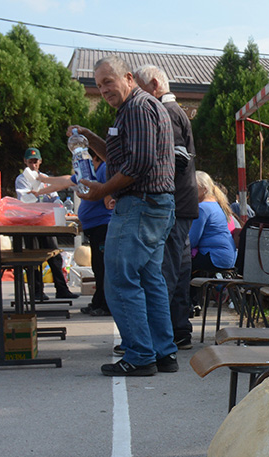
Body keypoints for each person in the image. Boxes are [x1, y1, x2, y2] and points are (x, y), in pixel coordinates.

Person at [69, 55, 177, 377]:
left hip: (140, 205)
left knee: (118, 279)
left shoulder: (139, 108)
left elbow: (138, 164)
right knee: (149, 279)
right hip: (151, 206)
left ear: (128, 78)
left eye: (108, 82)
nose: (103, 90)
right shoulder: (131, 111)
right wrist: (89, 137)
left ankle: (141, 356)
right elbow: (121, 158)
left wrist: (102, 190)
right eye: (99, 85)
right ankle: (162, 353)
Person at [135, 64, 199, 350]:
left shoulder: (167, 112)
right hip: (182, 203)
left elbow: (176, 159)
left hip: (174, 203)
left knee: (166, 271)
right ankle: (177, 331)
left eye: (137, 87)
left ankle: (161, 336)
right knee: (178, 268)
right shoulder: (175, 111)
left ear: (152, 84)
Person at [36, 153, 113, 315]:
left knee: (103, 268)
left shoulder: (104, 170)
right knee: (97, 267)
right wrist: (41, 184)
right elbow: (65, 181)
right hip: (94, 227)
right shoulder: (90, 172)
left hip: (103, 226)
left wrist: (44, 181)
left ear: (95, 158)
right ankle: (98, 301)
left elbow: (106, 195)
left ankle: (106, 305)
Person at [14, 147, 79, 302]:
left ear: (40, 162)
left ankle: (61, 289)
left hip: (47, 222)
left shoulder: (44, 178)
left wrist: (58, 204)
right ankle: (37, 291)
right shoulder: (22, 179)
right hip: (31, 223)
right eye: (30, 161)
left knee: (55, 256)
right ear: (25, 161)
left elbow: (55, 196)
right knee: (34, 258)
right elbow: (26, 199)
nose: (33, 164)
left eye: (35, 162)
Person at [188, 171, 237, 305]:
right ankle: (194, 303)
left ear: (204, 189)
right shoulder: (217, 205)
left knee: (182, 264)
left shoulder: (203, 208)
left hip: (215, 257)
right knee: (193, 263)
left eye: (193, 186)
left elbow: (192, 240)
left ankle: (188, 304)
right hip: (228, 256)